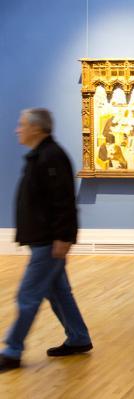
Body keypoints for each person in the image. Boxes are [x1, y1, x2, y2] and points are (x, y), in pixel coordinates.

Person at [0, 109, 92, 372]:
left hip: (48, 241)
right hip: (43, 239)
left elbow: (63, 201)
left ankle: (12, 350)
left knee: (27, 295)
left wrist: (63, 237)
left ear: (37, 129)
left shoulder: (51, 157)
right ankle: (78, 338)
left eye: (22, 125)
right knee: (58, 292)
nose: (18, 129)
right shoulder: (41, 155)